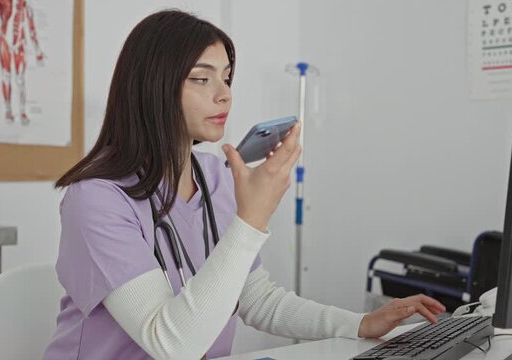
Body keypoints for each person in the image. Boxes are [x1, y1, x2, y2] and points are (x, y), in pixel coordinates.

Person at [43, 10, 445, 360]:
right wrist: (252, 220)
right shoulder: (97, 198)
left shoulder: (215, 177)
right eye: (201, 79)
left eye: (227, 78)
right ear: (152, 86)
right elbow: (171, 345)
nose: (224, 95)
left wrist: (360, 323)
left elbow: (254, 298)